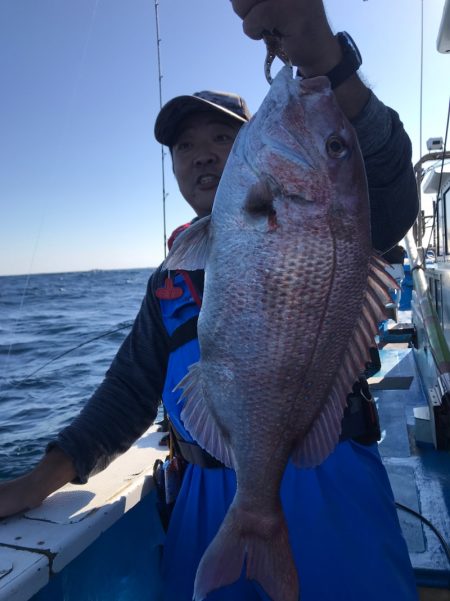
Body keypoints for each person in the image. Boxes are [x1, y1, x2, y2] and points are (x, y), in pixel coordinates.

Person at [0, 1, 419, 599]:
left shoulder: (334, 217)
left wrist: (321, 53)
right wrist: (37, 481)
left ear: (256, 143)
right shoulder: (169, 280)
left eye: (224, 136)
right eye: (184, 146)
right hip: (204, 501)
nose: (201, 153)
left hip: (331, 485)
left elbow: (387, 180)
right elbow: (127, 392)